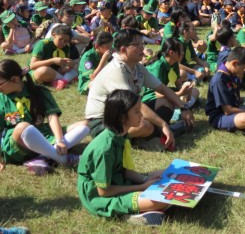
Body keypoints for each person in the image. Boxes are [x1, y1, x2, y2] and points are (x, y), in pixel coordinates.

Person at [84, 29, 194, 151]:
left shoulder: (137, 67)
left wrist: (183, 107)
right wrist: (163, 124)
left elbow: (162, 88)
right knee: (143, 125)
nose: (143, 47)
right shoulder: (115, 71)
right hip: (102, 121)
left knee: (166, 102)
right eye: (137, 44)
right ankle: (140, 139)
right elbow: (133, 104)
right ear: (123, 49)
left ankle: (153, 134)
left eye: (142, 43)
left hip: (125, 114)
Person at [77, 89, 169, 226]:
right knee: (161, 200)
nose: (141, 114)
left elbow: (123, 169)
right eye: (137, 111)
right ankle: (129, 215)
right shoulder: (105, 148)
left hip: (118, 180)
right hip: (99, 197)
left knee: (168, 173)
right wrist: (142, 187)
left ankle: (144, 210)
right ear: (121, 117)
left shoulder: (121, 134)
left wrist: (145, 179)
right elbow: (103, 191)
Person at [0, 58, 89, 175]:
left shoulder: (38, 91)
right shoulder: (2, 99)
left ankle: (42, 157)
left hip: (43, 134)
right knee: (22, 127)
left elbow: (52, 116)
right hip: (16, 144)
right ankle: (64, 159)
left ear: (15, 79)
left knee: (86, 124)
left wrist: (60, 140)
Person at [29, 24, 79, 90]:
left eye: (66, 41)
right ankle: (67, 79)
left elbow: (62, 68)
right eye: (60, 39)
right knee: (43, 71)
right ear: (53, 35)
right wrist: (52, 61)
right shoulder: (43, 44)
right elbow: (32, 66)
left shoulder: (66, 48)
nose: (63, 42)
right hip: (39, 72)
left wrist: (67, 66)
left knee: (78, 62)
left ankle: (62, 81)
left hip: (56, 72)